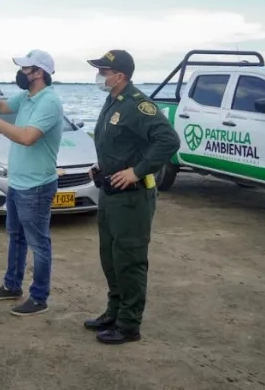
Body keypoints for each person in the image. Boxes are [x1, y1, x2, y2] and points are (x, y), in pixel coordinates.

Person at [83, 49, 180, 344]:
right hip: (111, 193)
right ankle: (114, 311)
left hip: (132, 198)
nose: (99, 76)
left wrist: (137, 171)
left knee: (129, 259)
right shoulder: (114, 101)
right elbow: (119, 143)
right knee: (110, 257)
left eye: (104, 71)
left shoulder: (138, 105)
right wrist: (102, 165)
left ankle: (129, 324)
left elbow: (169, 140)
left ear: (120, 76)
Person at [0, 49, 63, 316]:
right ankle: (12, 285)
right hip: (17, 182)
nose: (22, 73)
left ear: (39, 73)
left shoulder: (49, 101)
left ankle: (39, 298)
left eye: (26, 69)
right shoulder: (27, 97)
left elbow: (28, 137)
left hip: (36, 186)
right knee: (16, 237)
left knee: (38, 243)